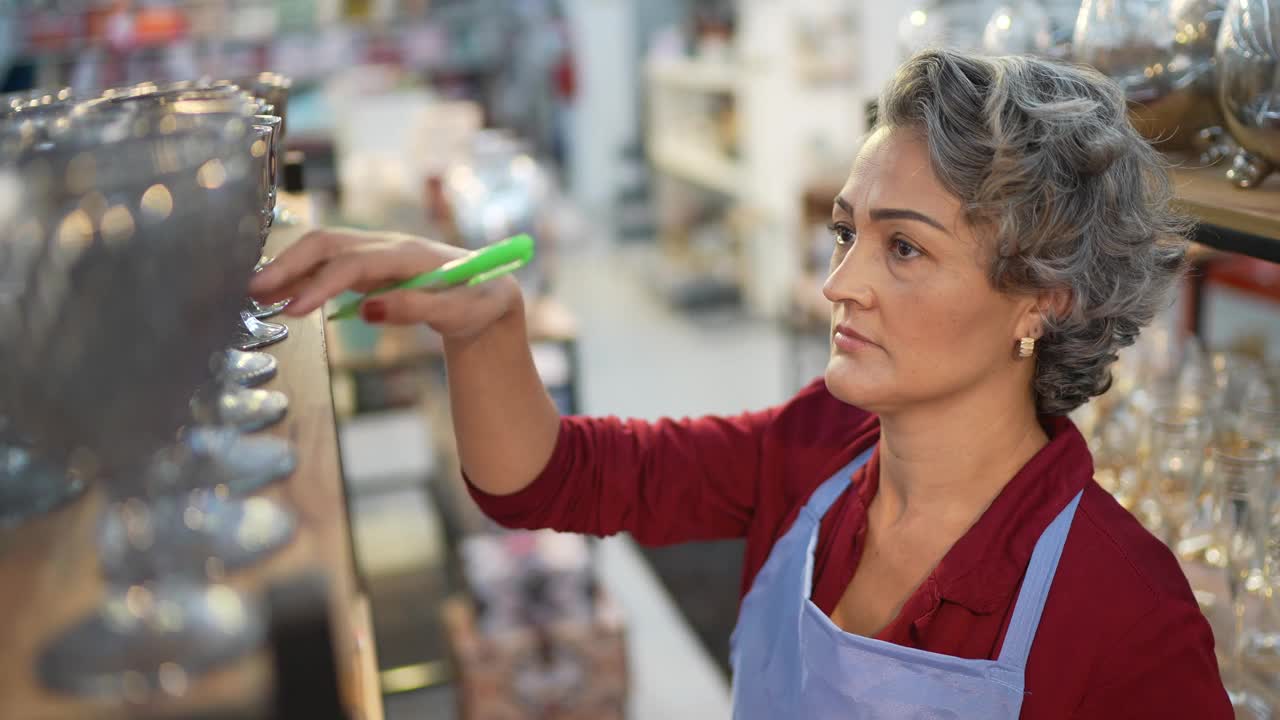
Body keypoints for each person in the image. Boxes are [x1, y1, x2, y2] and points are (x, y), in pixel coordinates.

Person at [251, 49, 1231, 718]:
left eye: (901, 249)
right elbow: (544, 480)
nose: (835, 285)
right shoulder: (813, 450)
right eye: (846, 233)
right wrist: (487, 324)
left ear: (1041, 298)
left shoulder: (1125, 615)